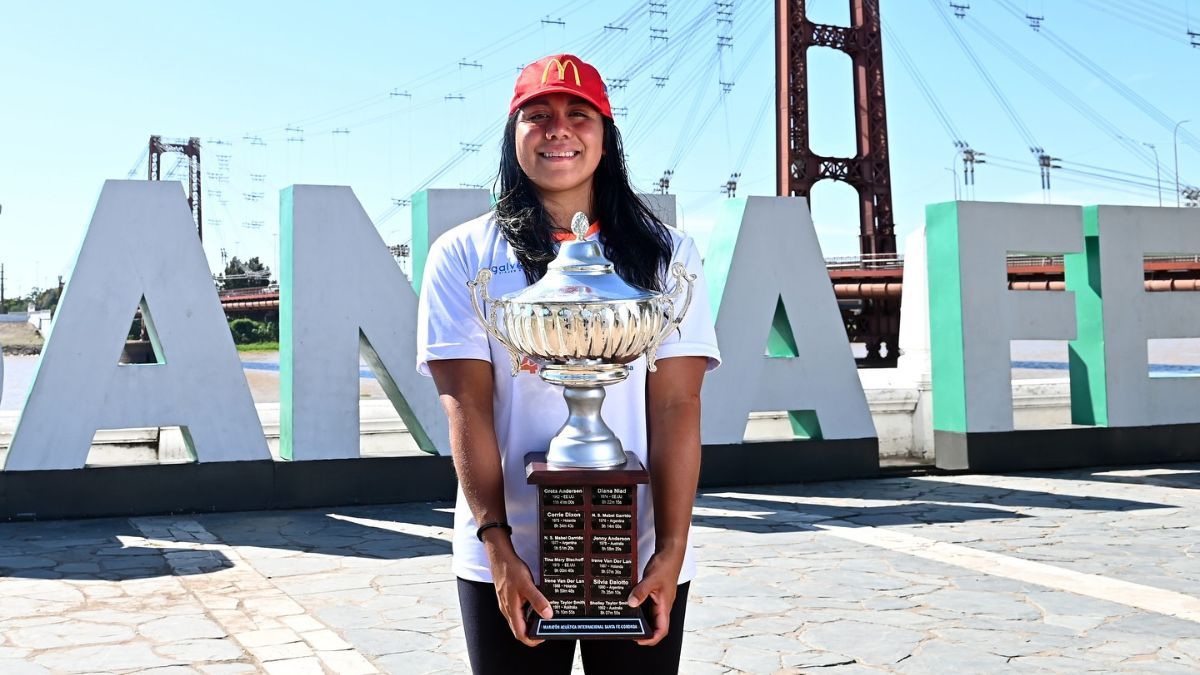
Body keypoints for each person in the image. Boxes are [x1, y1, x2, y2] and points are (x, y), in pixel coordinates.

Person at [416, 53, 720, 675]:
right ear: (514, 136)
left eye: (580, 115)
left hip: (638, 556)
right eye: (539, 115)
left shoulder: (667, 255)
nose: (559, 129)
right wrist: (497, 546)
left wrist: (672, 549)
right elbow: (467, 404)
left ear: (606, 138)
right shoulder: (465, 254)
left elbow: (676, 405)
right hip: (510, 555)